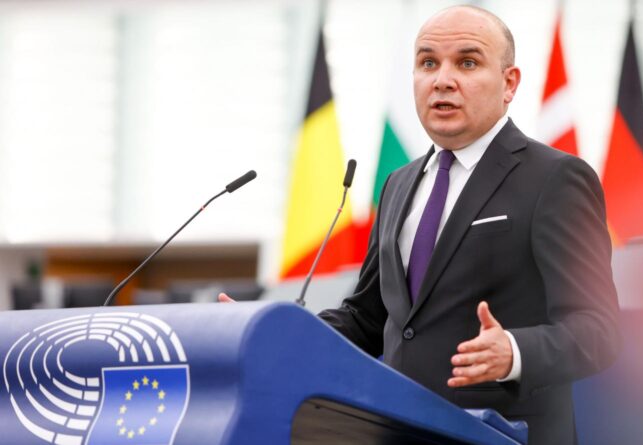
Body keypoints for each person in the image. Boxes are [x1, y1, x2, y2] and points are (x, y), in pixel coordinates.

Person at [226, 5, 620, 444]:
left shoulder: (554, 178)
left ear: (509, 83)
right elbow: (367, 317)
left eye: (467, 63)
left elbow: (598, 329)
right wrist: (269, 332)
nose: (442, 80)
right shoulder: (399, 183)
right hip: (400, 432)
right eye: (428, 63)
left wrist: (514, 352)